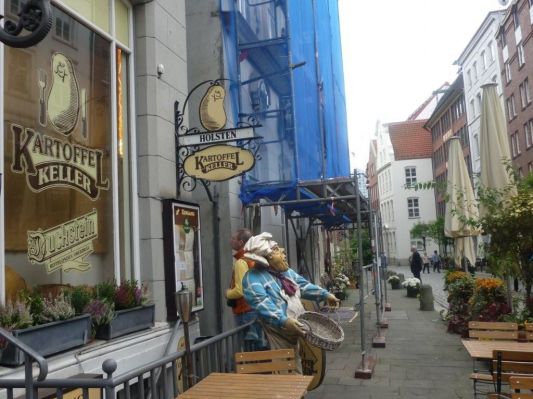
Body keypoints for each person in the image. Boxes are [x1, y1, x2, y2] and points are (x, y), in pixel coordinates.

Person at [242, 232, 339, 372]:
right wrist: (284, 321)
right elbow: (262, 304)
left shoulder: (285, 273)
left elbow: (303, 286)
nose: (282, 251)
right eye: (275, 250)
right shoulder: (253, 278)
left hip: (294, 330)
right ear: (266, 258)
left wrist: (325, 295)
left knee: (295, 362)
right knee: (283, 370)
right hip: (275, 334)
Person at [225, 228, 268, 350]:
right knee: (259, 347)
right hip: (257, 308)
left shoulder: (241, 262)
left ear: (241, 242)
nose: (231, 241)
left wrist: (228, 293)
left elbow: (240, 290)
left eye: (233, 238)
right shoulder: (254, 258)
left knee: (249, 349)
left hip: (245, 312)